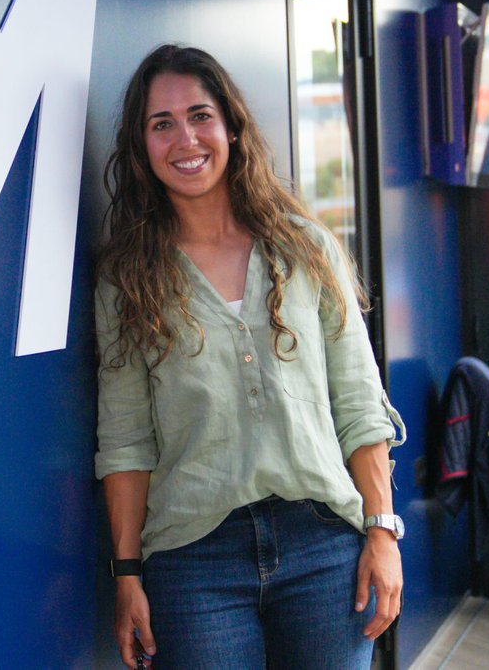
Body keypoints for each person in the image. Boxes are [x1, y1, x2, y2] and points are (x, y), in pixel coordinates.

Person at [94, 46, 405, 669]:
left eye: (199, 115)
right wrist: (126, 575)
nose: (185, 138)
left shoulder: (305, 249)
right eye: (162, 124)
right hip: (193, 562)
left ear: (231, 127)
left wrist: (381, 529)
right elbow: (126, 441)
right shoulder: (128, 280)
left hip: (323, 545)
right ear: (142, 147)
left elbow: (358, 401)